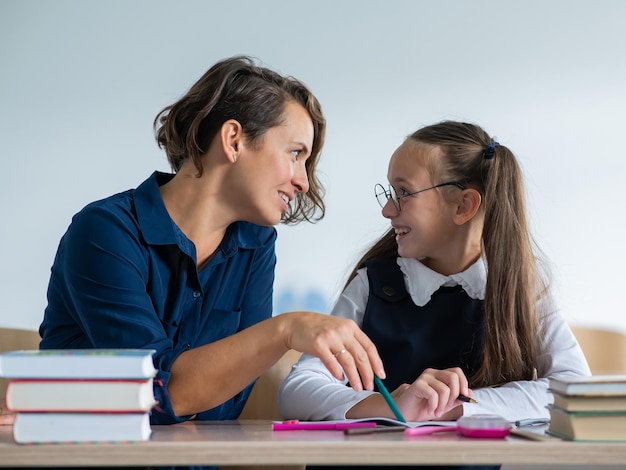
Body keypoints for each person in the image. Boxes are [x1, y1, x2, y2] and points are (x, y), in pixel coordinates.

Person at [0, 56, 385, 469]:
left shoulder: (256, 245)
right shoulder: (104, 233)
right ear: (234, 140)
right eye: (294, 153)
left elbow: (222, 406)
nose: (304, 180)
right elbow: (163, 392)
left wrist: (184, 394)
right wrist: (286, 329)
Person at [278, 120, 591, 470]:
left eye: (404, 193)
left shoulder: (521, 290)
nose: (387, 210)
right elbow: (297, 389)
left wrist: (457, 406)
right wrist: (392, 408)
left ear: (463, 206)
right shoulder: (373, 284)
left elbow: (572, 389)